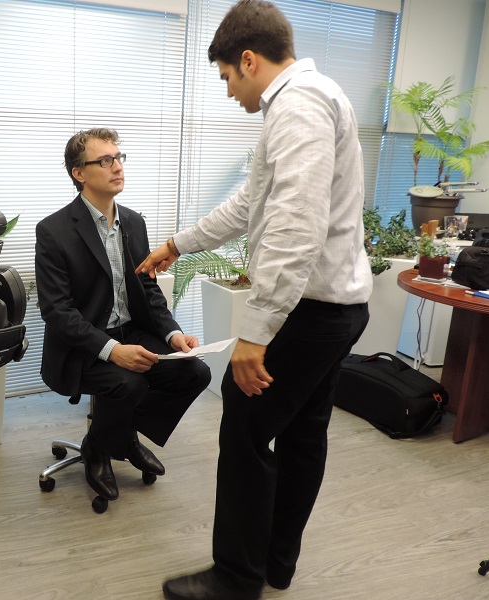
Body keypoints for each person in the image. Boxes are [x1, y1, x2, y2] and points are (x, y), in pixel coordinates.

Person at [136, 2, 372, 599]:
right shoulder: (311, 100)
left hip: (311, 313)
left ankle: (237, 579)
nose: (227, 92)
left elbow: (296, 223)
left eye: (225, 78)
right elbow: (252, 205)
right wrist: (177, 245)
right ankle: (276, 564)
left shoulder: (297, 105)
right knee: (301, 433)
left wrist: (257, 332)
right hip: (334, 309)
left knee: (245, 429)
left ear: (248, 59)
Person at [35, 127, 211, 502]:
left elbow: (147, 289)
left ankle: (116, 434)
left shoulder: (133, 222)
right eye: (105, 160)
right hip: (81, 346)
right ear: (78, 173)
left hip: (130, 329)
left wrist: (172, 335)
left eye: (118, 158)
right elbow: (56, 310)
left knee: (195, 372)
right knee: (128, 383)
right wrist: (112, 350)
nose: (117, 167)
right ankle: (101, 448)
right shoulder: (53, 231)